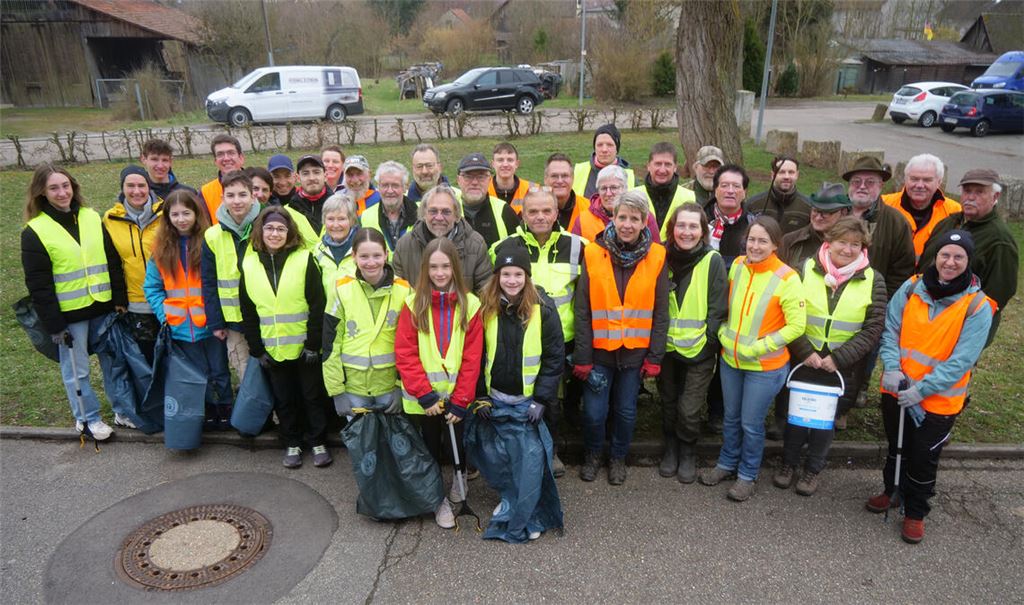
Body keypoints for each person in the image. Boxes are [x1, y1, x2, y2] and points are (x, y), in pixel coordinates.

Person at [867, 230, 994, 544]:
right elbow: (890, 327)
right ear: (935, 257)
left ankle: (915, 511)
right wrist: (892, 367)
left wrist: (922, 390)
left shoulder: (977, 306)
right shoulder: (912, 287)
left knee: (923, 455)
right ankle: (892, 490)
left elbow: (962, 359)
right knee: (897, 447)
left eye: (958, 257)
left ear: (968, 261)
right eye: (945, 255)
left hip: (937, 401)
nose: (950, 262)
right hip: (897, 388)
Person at [775, 217, 886, 495]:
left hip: (842, 366)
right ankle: (788, 464)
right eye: (842, 242)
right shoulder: (803, 270)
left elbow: (873, 328)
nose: (848, 250)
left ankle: (812, 470)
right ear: (829, 242)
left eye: (855, 244)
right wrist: (805, 351)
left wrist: (839, 358)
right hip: (803, 359)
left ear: (863, 247)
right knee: (795, 416)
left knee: (826, 421)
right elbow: (786, 312)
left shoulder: (874, 280)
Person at [699, 216, 806, 502]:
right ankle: (726, 463)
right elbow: (725, 305)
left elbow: (797, 326)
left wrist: (759, 347)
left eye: (763, 241)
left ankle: (747, 475)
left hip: (764, 366)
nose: (755, 246)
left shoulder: (787, 278)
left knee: (750, 423)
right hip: (731, 361)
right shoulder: (736, 266)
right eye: (751, 239)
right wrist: (722, 331)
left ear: (775, 245)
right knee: (731, 419)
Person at [21, 163, 127, 441]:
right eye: (54, 188)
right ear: (42, 193)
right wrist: (54, 324)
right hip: (70, 315)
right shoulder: (36, 230)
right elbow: (38, 285)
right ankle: (87, 417)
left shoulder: (91, 217)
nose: (61, 192)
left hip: (103, 306)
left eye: (65, 186)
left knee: (114, 363)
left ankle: (122, 410)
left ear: (73, 187)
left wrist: (118, 298)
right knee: (77, 370)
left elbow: (111, 260)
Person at [573, 191, 669, 485]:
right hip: (599, 354)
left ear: (644, 223)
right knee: (593, 413)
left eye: (635, 219)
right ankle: (592, 454)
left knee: (626, 412)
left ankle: (618, 457)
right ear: (612, 218)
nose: (627, 224)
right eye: (622, 217)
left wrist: (655, 357)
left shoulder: (657, 257)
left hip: (634, 355)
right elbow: (583, 310)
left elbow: (661, 312)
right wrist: (583, 356)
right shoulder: (592, 252)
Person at [490, 187, 588, 476]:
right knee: (520, 400)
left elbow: (585, 299)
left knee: (551, 401)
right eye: (533, 211)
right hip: (516, 339)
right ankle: (519, 452)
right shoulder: (504, 247)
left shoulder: (578, 246)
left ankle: (551, 450)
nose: (540, 217)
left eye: (547, 211)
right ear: (523, 214)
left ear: (557, 213)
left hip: (561, 340)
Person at [472, 248, 564, 542]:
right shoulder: (485, 309)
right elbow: (476, 355)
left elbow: (553, 358)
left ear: (527, 277)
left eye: (518, 275)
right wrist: (480, 396)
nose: (512, 281)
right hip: (496, 399)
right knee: (501, 458)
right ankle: (511, 497)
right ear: (497, 277)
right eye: (506, 274)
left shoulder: (543, 310)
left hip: (527, 403)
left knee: (529, 460)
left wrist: (541, 399)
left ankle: (530, 509)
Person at [395, 238, 484, 529]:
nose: (440, 272)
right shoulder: (413, 303)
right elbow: (406, 353)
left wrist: (461, 400)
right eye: (433, 267)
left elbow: (472, 358)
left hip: (456, 398)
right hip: (425, 401)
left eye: (445, 266)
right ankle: (436, 499)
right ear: (425, 269)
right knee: (430, 450)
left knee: (458, 443)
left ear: (455, 268)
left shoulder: (470, 304)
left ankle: (460, 484)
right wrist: (425, 395)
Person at [239, 207, 330, 469]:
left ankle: (317, 442)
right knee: (284, 399)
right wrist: (256, 348)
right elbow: (248, 309)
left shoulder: (304, 258)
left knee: (312, 397)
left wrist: (313, 344)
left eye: (281, 228)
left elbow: (317, 304)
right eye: (269, 228)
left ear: (289, 232)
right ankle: (292, 442)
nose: (275, 233)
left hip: (304, 347)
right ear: (261, 231)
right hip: (273, 348)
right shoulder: (249, 263)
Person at [143, 189, 234, 433]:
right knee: (196, 373)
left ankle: (225, 407)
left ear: (196, 214)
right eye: (175, 214)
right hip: (179, 326)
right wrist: (165, 317)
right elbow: (152, 287)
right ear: (168, 218)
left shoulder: (208, 243)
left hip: (209, 324)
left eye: (186, 213)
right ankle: (205, 409)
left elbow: (217, 283)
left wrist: (218, 318)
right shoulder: (160, 250)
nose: (181, 219)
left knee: (219, 370)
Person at [657, 202, 727, 484]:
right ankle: (671, 448)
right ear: (672, 229)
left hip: (700, 349)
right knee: (669, 403)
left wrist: (709, 341)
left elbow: (718, 307)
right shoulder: (659, 256)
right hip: (666, 349)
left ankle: (688, 449)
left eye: (693, 226)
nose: (686, 232)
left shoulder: (713, 260)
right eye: (681, 226)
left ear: (703, 231)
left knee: (689, 408)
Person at [920, 169, 1018, 347]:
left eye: (979, 192)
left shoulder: (1000, 240)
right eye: (967, 191)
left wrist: (965, 328)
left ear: (995, 196)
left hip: (960, 332)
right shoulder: (948, 223)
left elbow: (997, 295)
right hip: (925, 319)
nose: (970, 197)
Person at [323, 227, 409, 422]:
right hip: (354, 387)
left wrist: (400, 385)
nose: (371, 262)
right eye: (364, 256)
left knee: (391, 446)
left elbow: (410, 344)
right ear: (353, 256)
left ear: (387, 255)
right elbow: (331, 344)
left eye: (377, 255)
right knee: (361, 447)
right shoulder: (341, 289)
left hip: (389, 386)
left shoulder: (404, 291)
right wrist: (336, 391)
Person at [702, 164, 756, 434]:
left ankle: (717, 412)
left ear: (745, 192)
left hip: (737, 307)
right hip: (699, 304)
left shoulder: (753, 227)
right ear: (715, 189)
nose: (730, 191)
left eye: (737, 186)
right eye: (725, 185)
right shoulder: (697, 219)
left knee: (726, 363)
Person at [201, 171, 259, 381]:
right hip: (234, 320)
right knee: (245, 371)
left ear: (253, 196)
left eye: (242, 195)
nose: (237, 201)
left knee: (273, 371)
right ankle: (256, 414)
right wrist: (216, 322)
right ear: (222, 198)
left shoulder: (266, 227)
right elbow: (208, 281)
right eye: (231, 195)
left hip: (266, 316)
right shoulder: (212, 235)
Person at [103, 165, 164, 367]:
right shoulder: (111, 219)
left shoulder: (166, 213)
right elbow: (112, 263)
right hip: (136, 302)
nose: (136, 191)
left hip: (168, 298)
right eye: (130, 186)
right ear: (122, 188)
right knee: (147, 357)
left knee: (172, 354)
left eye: (141, 185)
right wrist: (119, 298)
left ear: (149, 187)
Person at [393, 185, 493, 292]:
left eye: (446, 212)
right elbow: (398, 291)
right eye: (433, 211)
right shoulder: (404, 245)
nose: (439, 217)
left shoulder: (475, 244)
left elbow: (485, 292)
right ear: (423, 214)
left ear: (457, 216)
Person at [844, 157, 916, 298]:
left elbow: (901, 273)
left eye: (870, 182)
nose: (862, 186)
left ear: (881, 186)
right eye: (856, 181)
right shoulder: (832, 213)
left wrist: (881, 303)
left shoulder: (897, 223)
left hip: (871, 302)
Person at [882, 153, 960, 261]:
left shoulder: (955, 211)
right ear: (905, 179)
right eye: (914, 179)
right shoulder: (884, 204)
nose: (919, 185)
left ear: (939, 182)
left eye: (927, 180)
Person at [571, 165, 661, 244]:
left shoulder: (643, 216)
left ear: (625, 188)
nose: (609, 193)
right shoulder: (583, 220)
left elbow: (655, 253)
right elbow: (574, 256)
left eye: (614, 188)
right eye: (603, 188)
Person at [779, 183, 852, 269]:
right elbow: (776, 277)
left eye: (826, 212)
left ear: (843, 212)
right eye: (815, 211)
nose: (818, 217)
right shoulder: (790, 241)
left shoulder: (853, 246)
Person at [456, 153, 519, 248]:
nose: (474, 182)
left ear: (489, 180)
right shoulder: (447, 210)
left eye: (481, 177)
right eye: (468, 177)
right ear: (458, 180)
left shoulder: (504, 210)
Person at [360, 161, 418, 254]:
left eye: (395, 185)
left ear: (405, 187)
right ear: (378, 187)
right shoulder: (365, 216)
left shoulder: (421, 213)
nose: (390, 191)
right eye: (385, 185)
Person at [635, 141, 695, 231]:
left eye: (667, 164)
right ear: (648, 166)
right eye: (658, 164)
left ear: (675, 167)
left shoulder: (690, 197)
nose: (662, 170)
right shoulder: (634, 195)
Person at [745, 156, 811, 233]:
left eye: (791, 172)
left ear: (797, 175)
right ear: (773, 175)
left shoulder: (808, 207)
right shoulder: (753, 205)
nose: (786, 177)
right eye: (781, 172)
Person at [313, 192, 358, 295]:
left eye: (341, 219)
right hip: (328, 310)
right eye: (330, 219)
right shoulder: (318, 250)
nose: (335, 225)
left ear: (351, 220)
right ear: (324, 220)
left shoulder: (362, 247)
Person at [573, 123, 635, 198]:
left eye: (609, 145)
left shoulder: (630, 177)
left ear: (617, 149)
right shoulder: (577, 171)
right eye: (600, 145)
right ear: (594, 148)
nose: (604, 150)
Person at [287, 154, 333, 248]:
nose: (311, 178)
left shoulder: (340, 207)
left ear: (325, 175)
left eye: (316, 172)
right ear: (298, 178)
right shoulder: (288, 211)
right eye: (305, 173)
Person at [199, 134, 245, 224]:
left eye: (231, 153)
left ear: (241, 158)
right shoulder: (205, 192)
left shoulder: (257, 185)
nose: (226, 158)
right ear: (215, 161)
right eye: (220, 154)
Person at [488, 142, 534, 213]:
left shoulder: (532, 189)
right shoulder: (484, 189)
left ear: (517, 164)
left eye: (510, 160)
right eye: (500, 160)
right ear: (493, 164)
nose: (505, 164)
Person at [543, 153, 583, 230]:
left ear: (573, 178)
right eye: (554, 176)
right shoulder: (532, 209)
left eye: (565, 176)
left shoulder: (588, 208)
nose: (560, 181)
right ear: (545, 179)